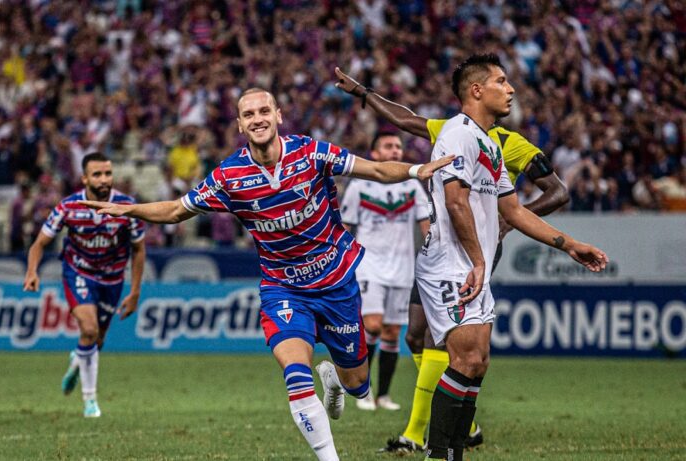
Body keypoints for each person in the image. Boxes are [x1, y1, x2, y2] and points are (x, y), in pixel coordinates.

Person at [80, 88, 453, 461]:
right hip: (283, 288)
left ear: (278, 116)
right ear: (240, 125)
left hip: (336, 283)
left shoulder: (311, 153)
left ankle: (335, 380)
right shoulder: (229, 176)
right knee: (295, 373)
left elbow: (375, 169)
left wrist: (416, 170)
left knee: (358, 385)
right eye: (248, 114)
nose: (257, 118)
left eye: (263, 111)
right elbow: (177, 210)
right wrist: (129, 210)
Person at [347, 55, 606, 460]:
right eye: (502, 81)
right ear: (477, 90)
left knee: (477, 362)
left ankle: (453, 451)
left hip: (471, 265)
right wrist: (479, 261)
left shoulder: (492, 144)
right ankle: (436, 452)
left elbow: (514, 211)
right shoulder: (456, 134)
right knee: (463, 358)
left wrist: (568, 244)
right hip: (451, 264)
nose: (511, 89)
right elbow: (455, 201)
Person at [23, 152, 146, 418]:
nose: (104, 179)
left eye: (108, 174)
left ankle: (78, 360)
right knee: (89, 329)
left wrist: (135, 292)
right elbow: (39, 243)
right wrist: (32, 271)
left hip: (113, 279)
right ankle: (90, 402)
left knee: (96, 340)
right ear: (85, 179)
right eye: (97, 174)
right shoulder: (68, 207)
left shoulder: (127, 207)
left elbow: (139, 250)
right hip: (78, 272)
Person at [340, 132, 430, 412]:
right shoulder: (359, 186)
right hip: (369, 266)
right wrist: (341, 264)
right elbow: (345, 228)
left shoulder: (412, 187)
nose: (395, 151)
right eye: (388, 146)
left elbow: (426, 226)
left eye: (398, 146)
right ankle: (363, 391)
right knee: (373, 325)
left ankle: (383, 396)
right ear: (375, 154)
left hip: (403, 268)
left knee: (392, 332)